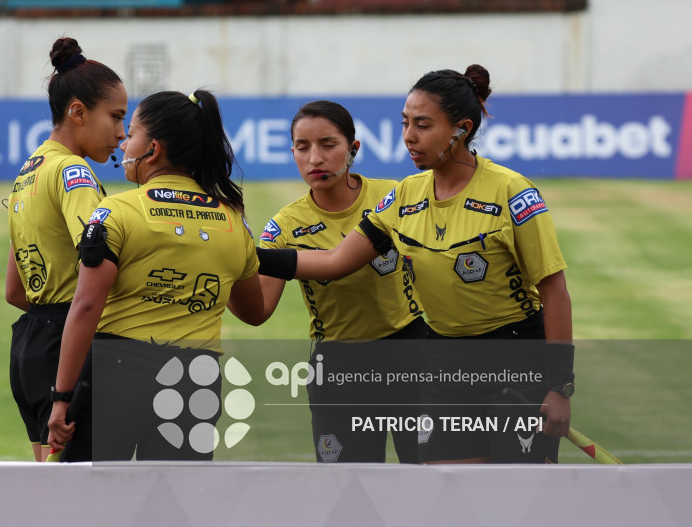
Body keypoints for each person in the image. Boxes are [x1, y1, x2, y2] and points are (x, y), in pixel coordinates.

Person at [258, 65, 574, 464]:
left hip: (514, 361)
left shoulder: (513, 192)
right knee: (445, 498)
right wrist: (247, 256)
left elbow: (554, 293)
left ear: (460, 129)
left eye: (422, 125)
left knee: (514, 500)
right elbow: (336, 261)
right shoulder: (405, 195)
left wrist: (559, 385)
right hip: (443, 366)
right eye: (405, 123)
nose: (408, 136)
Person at [46, 89, 264, 462]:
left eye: (131, 134)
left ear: (154, 149)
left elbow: (85, 307)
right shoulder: (233, 221)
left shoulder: (115, 211)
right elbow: (254, 311)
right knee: (174, 508)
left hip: (118, 374)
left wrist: (61, 397)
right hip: (197, 381)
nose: (124, 142)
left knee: (86, 505)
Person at [233, 100, 427, 464]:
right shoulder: (285, 225)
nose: (315, 159)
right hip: (338, 368)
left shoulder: (395, 196)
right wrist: (225, 263)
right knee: (349, 493)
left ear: (353, 149)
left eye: (328, 145)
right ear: (291, 152)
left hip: (411, 351)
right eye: (302, 147)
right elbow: (258, 310)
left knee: (428, 482)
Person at [5, 37, 127, 461]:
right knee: (84, 503)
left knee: (50, 494)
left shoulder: (29, 170)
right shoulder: (73, 171)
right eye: (115, 117)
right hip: (68, 348)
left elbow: (14, 291)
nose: (122, 133)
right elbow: (98, 256)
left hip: (30, 347)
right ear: (77, 112)